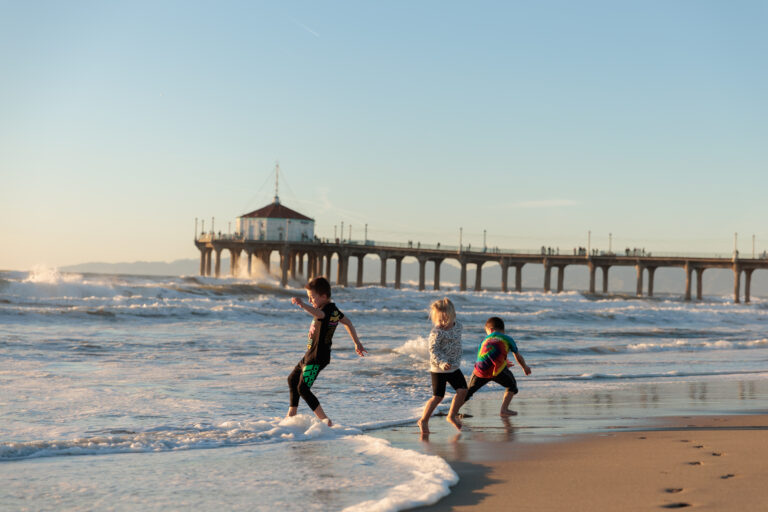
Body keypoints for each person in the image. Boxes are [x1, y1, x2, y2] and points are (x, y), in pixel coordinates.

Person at [287, 276, 366, 426]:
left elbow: (321, 315)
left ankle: (325, 421)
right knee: (292, 379)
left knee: (303, 389)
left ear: (324, 296)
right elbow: (347, 322)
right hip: (311, 354)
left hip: (317, 357)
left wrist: (303, 305)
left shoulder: (327, 310)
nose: (310, 301)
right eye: (308, 298)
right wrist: (357, 343)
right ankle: (291, 415)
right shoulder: (333, 310)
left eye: (312, 297)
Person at [418, 298, 468, 433]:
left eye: (444, 319)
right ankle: (423, 420)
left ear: (453, 316)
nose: (441, 323)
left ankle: (451, 415)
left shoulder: (458, 326)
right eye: (438, 320)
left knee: (463, 390)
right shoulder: (436, 332)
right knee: (438, 396)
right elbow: (433, 350)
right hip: (439, 369)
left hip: (454, 367)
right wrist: (442, 363)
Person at [464, 317, 531, 416]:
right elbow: (518, 356)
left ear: (490, 330)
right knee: (511, 385)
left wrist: (503, 363)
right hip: (497, 371)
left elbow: (482, 357)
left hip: (480, 370)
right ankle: (504, 410)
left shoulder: (484, 340)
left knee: (468, 392)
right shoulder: (507, 338)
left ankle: (452, 411)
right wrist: (525, 367)